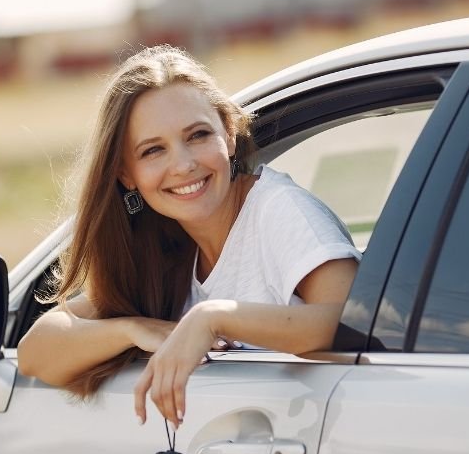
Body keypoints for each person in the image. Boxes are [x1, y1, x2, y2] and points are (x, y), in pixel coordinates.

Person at [18, 45, 361, 429]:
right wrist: (133, 328)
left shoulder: (279, 210)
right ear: (126, 175)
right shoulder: (162, 248)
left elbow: (358, 325)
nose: (183, 164)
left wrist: (213, 318)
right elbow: (35, 352)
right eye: (153, 151)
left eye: (198, 135)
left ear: (228, 135)